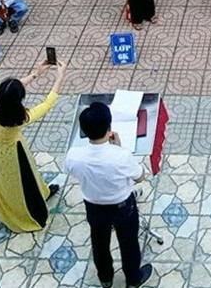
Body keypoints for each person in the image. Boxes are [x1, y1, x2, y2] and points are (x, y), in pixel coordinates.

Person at [62, 102, 153, 288]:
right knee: (129, 243)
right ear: (109, 128)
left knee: (99, 243)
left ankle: (105, 278)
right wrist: (118, 149)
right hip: (122, 206)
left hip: (94, 207)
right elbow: (139, 177)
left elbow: (68, 169)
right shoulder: (121, 156)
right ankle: (133, 279)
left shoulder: (74, 155)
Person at [0, 59, 65, 233]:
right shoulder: (18, 118)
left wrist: (36, 73)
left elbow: (12, 89)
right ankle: (34, 217)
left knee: (10, 182)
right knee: (23, 185)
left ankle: (44, 194)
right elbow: (47, 104)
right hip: (12, 156)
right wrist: (59, 77)